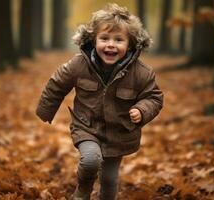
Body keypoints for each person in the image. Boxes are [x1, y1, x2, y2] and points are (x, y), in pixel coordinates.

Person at [36, 3, 163, 200]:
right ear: (93, 40)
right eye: (104, 38)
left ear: (130, 44)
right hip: (86, 126)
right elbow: (57, 83)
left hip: (119, 133)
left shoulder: (141, 73)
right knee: (90, 161)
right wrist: (46, 110)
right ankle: (82, 192)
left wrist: (142, 109)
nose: (110, 44)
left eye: (118, 40)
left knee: (110, 180)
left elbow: (154, 96)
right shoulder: (79, 64)